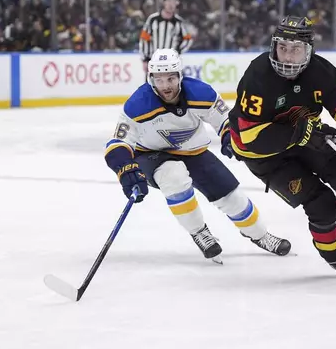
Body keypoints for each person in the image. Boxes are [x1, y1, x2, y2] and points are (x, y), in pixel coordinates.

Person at [226, 16, 336, 278]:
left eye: (296, 49)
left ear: (309, 51)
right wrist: (302, 132)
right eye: (283, 48)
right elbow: (250, 136)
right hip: (264, 154)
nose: (287, 57)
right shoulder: (257, 77)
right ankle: (335, 258)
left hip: (305, 136)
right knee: (322, 203)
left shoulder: (322, 72)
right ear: (273, 46)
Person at [104, 49, 291, 264]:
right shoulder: (138, 104)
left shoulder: (201, 93)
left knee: (232, 198)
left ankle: (260, 235)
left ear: (180, 76)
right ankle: (199, 232)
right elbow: (117, 144)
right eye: (159, 79)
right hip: (151, 155)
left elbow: (226, 120)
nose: (166, 86)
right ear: (150, 78)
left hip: (194, 152)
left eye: (171, 78)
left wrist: (230, 137)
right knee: (174, 176)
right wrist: (125, 170)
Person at [139, 0, 194, 75]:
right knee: (152, 86)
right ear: (164, 2)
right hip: (154, 61)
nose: (171, 5)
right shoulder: (153, 19)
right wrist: (145, 59)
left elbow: (188, 39)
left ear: (177, 3)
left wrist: (178, 51)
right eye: (169, 1)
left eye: (173, 2)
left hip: (171, 62)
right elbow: (144, 39)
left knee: (173, 85)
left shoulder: (179, 22)